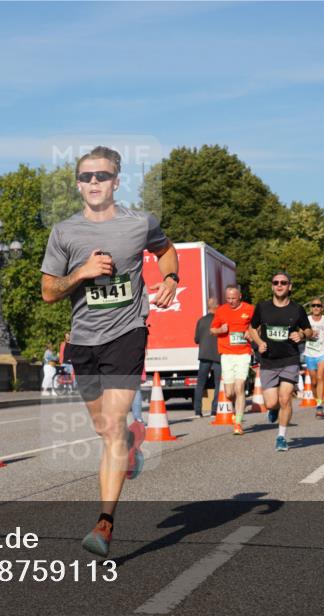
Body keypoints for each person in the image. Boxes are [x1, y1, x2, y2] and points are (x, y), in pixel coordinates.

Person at [40, 145, 178, 557]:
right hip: (83, 341)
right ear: (78, 184)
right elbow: (48, 291)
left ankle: (104, 524)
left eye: (102, 175)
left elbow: (166, 250)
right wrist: (81, 273)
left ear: (116, 181)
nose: (94, 182)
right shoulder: (64, 232)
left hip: (127, 333)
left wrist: (170, 278)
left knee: (113, 425)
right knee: (104, 428)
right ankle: (130, 444)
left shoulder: (140, 223)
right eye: (86, 177)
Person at [246, 271, 313, 451]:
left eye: (283, 282)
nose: (279, 285)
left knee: (285, 399)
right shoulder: (262, 307)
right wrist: (259, 342)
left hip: (289, 359)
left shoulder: (297, 309)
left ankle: (281, 437)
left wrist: (301, 334)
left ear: (289, 286)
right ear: (272, 286)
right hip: (268, 361)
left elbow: (309, 330)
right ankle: (273, 409)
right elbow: (252, 328)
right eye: (276, 282)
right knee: (271, 403)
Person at [209, 285, 255, 435]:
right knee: (229, 393)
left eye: (233, 298)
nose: (231, 301)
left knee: (239, 386)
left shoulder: (249, 309)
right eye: (228, 298)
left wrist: (251, 332)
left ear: (240, 296)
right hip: (227, 354)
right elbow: (212, 329)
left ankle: (238, 423)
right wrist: (220, 330)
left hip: (243, 353)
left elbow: (259, 326)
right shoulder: (221, 310)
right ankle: (236, 410)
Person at [303, 299, 324, 418]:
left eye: (318, 305)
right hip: (309, 353)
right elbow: (300, 332)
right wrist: (307, 334)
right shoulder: (306, 320)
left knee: (320, 376)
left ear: (322, 308)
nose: (316, 307)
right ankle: (317, 400)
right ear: (311, 308)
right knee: (313, 382)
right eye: (313, 305)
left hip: (323, 351)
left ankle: (320, 405)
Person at [193, 297, 222, 418]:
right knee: (218, 383)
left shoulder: (201, 321)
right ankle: (214, 410)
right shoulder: (220, 321)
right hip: (218, 356)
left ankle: (197, 411)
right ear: (217, 307)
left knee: (200, 383)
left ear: (208, 307)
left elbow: (196, 339)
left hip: (204, 355)